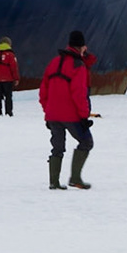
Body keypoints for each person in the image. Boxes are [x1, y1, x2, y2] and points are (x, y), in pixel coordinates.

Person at [39, 30, 96, 190]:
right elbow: (79, 93)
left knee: (57, 147)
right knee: (86, 142)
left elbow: (43, 90)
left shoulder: (54, 62)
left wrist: (47, 111)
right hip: (71, 115)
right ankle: (75, 178)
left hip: (52, 115)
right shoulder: (78, 66)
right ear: (82, 46)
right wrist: (84, 116)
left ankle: (54, 182)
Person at [0, 38, 19, 117]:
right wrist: (16, 78)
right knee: (8, 96)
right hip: (8, 79)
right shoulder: (10, 55)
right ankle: (8, 112)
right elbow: (14, 67)